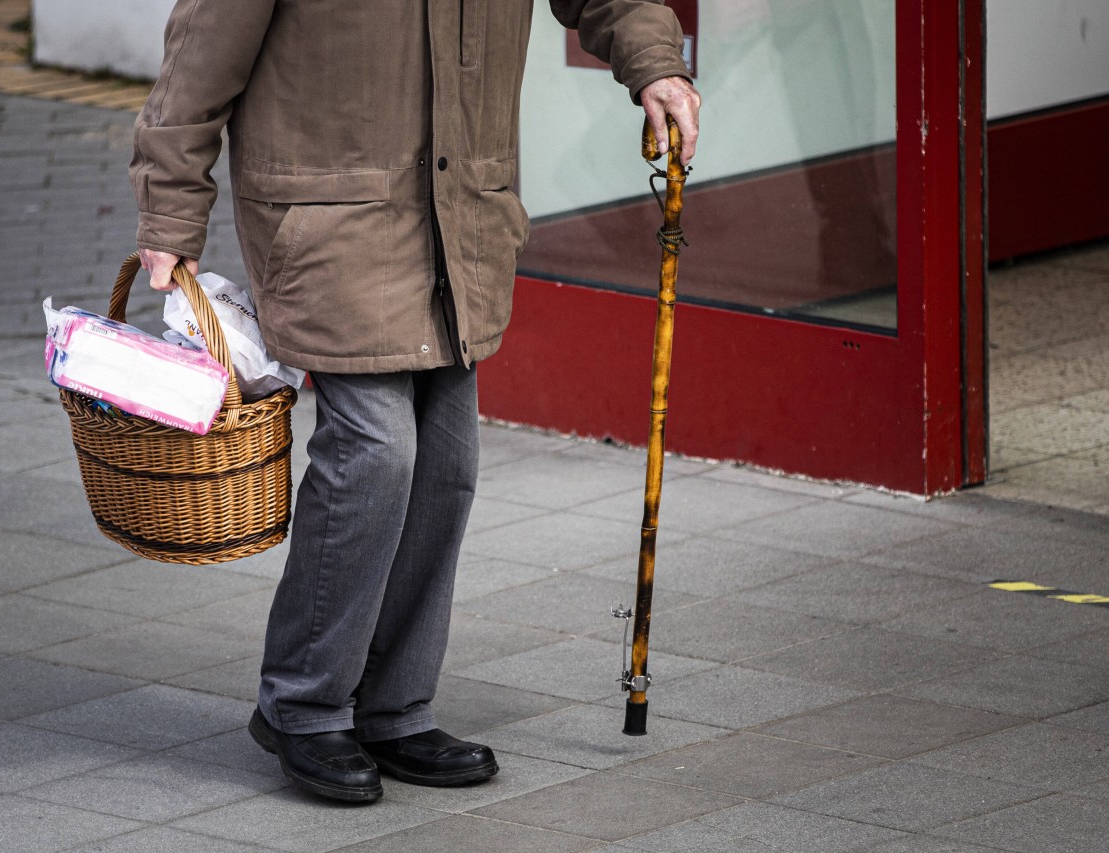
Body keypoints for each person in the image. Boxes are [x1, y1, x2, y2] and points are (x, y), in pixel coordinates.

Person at [131, 0, 700, 803]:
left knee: (446, 458)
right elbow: (201, 51)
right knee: (377, 446)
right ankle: (303, 700)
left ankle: (393, 705)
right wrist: (170, 206)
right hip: (329, 210)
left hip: (459, 208)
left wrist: (656, 63)